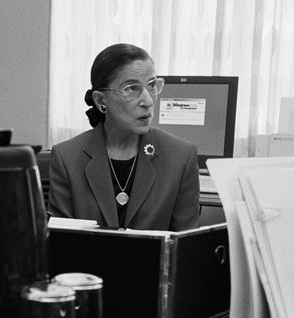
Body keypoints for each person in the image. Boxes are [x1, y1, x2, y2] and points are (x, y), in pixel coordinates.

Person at [49, 43, 199, 231]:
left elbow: (184, 247)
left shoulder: (181, 157)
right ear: (101, 100)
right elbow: (60, 244)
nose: (148, 101)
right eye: (131, 89)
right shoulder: (67, 158)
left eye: (152, 86)